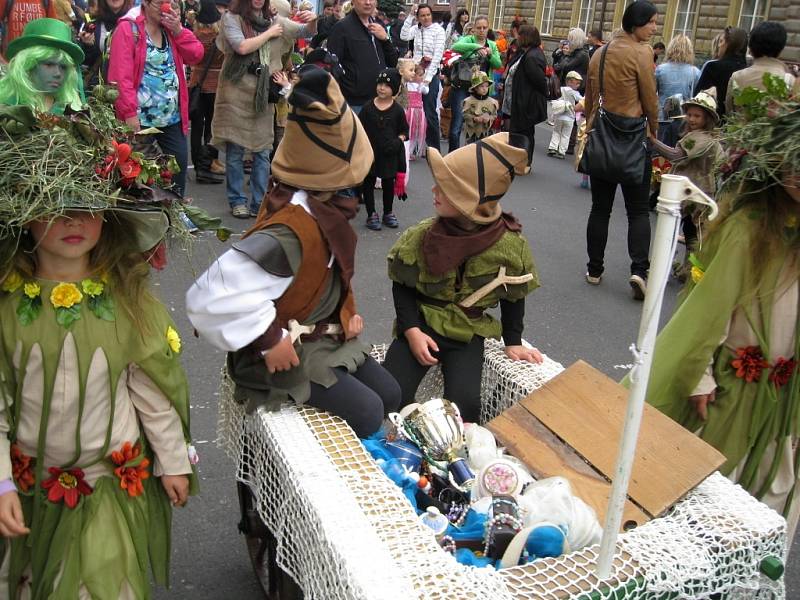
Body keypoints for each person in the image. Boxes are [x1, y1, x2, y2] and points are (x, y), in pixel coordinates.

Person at [0, 95, 197, 598]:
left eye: (88, 208)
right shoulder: (6, 308)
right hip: (30, 488)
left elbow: (152, 390)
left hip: (106, 483)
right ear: (25, 214)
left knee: (101, 586)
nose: (73, 222)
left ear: (108, 217)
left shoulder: (126, 302)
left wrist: (172, 458)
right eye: (56, 207)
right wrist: (2, 483)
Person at [187, 66, 401, 438]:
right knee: (368, 413)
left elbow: (327, 276)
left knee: (390, 393)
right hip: (282, 347)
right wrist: (270, 341)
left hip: (322, 336)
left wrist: (347, 311)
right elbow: (208, 296)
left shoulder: (327, 211)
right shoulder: (291, 229)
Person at [642, 86, 800, 539]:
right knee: (713, 495)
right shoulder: (749, 230)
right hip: (731, 388)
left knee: (772, 492)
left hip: (783, 399)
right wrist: (701, 376)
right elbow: (708, 311)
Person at [382, 132, 542, 424]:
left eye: (444, 188)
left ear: (469, 199)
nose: (433, 190)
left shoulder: (509, 245)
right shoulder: (422, 236)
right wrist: (412, 331)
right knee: (389, 395)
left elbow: (513, 296)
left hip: (467, 332)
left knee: (466, 407)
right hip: (423, 321)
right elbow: (402, 287)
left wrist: (513, 340)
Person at [211, 0, 316, 218]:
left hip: (262, 93)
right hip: (235, 92)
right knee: (236, 149)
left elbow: (304, 31)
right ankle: (237, 200)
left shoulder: (274, 19)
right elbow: (241, 46)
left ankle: (259, 202)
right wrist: (269, 34)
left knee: (262, 150)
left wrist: (313, 21)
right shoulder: (232, 18)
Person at [583, 1, 659, 300]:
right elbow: (650, 100)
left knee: (600, 207)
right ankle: (639, 270)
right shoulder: (641, 53)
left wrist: (591, 128)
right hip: (632, 136)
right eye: (651, 22)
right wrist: (653, 129)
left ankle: (594, 269)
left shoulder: (600, 53)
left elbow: (590, 97)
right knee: (638, 209)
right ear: (636, 23)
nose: (654, 28)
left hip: (603, 134)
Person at [108, 0, 204, 197]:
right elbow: (120, 77)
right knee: (142, 177)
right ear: (145, 2)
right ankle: (148, 218)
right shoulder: (128, 28)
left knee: (176, 170)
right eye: (160, 2)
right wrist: (128, 113)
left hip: (172, 119)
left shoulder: (170, 29)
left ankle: (176, 216)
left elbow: (196, 55)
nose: (166, 7)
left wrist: (178, 30)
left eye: (170, 2)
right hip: (140, 120)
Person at [651, 87, 724, 279]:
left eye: (697, 116)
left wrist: (652, 140)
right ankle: (686, 269)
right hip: (696, 189)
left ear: (707, 118)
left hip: (691, 191)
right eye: (689, 114)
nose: (691, 119)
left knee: (675, 227)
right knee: (690, 230)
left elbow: (676, 155)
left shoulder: (701, 139)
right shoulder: (707, 138)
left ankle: (668, 264)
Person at [0, 17, 84, 113]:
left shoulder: (70, 108)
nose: (58, 74)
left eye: (63, 67)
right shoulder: (7, 103)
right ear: (28, 65)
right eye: (49, 64)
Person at [326, 0, 397, 112]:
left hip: (379, 100)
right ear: (353, 1)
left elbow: (393, 62)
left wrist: (385, 39)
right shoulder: (342, 27)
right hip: (354, 103)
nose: (368, 2)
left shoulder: (379, 26)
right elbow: (331, 65)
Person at [359, 68, 408, 231]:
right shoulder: (367, 108)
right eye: (379, 84)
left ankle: (388, 212)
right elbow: (359, 129)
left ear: (394, 89)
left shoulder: (398, 110)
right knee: (369, 181)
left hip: (389, 152)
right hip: (370, 152)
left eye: (386, 85)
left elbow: (404, 131)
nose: (381, 88)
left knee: (388, 182)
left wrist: (398, 140)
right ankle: (371, 213)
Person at [448, 15, 500, 152]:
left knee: (479, 128)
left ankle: (474, 157)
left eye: (484, 27)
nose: (482, 30)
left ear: (488, 28)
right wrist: (476, 47)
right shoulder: (468, 39)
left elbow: (498, 64)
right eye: (479, 28)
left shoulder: (492, 45)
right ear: (474, 29)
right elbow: (455, 46)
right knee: (457, 126)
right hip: (462, 87)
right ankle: (452, 156)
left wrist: (489, 54)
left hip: (481, 91)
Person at [188, 0, 225, 184]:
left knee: (196, 127)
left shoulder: (193, 36)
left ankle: (197, 163)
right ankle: (209, 162)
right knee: (212, 126)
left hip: (196, 83)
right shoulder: (219, 39)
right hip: (215, 86)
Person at [400, 3, 445, 153]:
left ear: (431, 15)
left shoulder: (439, 31)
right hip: (415, 73)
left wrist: (427, 79)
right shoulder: (417, 29)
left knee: (429, 110)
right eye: (422, 15)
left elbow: (437, 56)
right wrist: (410, 16)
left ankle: (433, 148)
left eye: (428, 15)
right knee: (411, 110)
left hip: (430, 75)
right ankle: (412, 145)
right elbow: (403, 35)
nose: (425, 18)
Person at [726, 21, 796, 115]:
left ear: (750, 48)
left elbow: (730, 112)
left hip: (741, 128)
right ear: (781, 49)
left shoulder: (737, 77)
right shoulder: (789, 80)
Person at [508, 23, 547, 167]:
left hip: (526, 102)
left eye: (520, 34)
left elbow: (539, 81)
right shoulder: (530, 53)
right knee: (525, 133)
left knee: (523, 133)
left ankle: (523, 161)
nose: (517, 37)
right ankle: (523, 161)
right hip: (524, 101)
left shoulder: (532, 56)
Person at [693, 25, 747, 120]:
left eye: (721, 41)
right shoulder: (747, 70)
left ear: (729, 45)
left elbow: (698, 99)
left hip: (714, 124)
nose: (719, 45)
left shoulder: (713, 67)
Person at [78, 0, 132, 87]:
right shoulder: (93, 24)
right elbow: (86, 62)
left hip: (127, 87)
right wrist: (88, 46)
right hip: (99, 90)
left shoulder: (135, 23)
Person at [655, 33, 700, 122]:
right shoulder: (695, 72)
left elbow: (651, 94)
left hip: (662, 117)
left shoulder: (660, 69)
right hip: (684, 118)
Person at [547, 70, 582, 159]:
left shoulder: (561, 89)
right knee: (565, 135)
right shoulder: (575, 93)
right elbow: (581, 100)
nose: (578, 86)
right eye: (576, 83)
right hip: (569, 117)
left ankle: (552, 147)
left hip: (559, 115)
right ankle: (561, 152)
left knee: (556, 132)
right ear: (569, 81)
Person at [461, 69, 497, 144]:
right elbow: (465, 115)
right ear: (475, 88)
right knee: (471, 152)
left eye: (486, 86)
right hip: (471, 133)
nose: (485, 89)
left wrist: (489, 118)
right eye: (482, 86)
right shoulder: (468, 101)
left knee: (484, 152)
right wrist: (474, 118)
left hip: (485, 133)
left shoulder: (492, 102)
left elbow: (494, 115)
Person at [554, 27, 589, 93]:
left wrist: (566, 55)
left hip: (575, 88)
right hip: (571, 86)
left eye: (570, 39)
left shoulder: (581, 54)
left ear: (575, 40)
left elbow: (566, 66)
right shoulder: (577, 52)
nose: (568, 42)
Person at [405, 61, 427, 160]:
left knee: (416, 131)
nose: (422, 77)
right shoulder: (407, 85)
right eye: (420, 75)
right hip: (410, 111)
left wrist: (423, 85)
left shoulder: (420, 86)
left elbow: (426, 91)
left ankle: (411, 150)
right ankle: (407, 151)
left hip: (419, 111)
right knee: (409, 130)